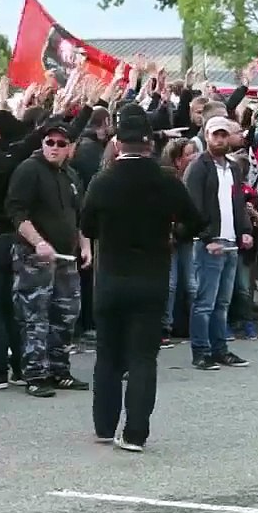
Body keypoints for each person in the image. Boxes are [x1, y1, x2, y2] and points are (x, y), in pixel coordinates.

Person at [80, 105, 203, 452]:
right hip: (151, 276)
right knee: (143, 358)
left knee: (107, 354)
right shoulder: (166, 180)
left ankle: (104, 425)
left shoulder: (102, 180)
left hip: (111, 278)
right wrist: (173, 233)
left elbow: (87, 225)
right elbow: (196, 221)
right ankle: (135, 433)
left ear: (118, 142)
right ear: (150, 143)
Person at [5, 122, 92, 398]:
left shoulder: (71, 175)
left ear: (70, 148)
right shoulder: (29, 170)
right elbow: (16, 213)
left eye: (60, 143)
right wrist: (38, 242)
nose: (54, 147)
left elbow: (79, 215)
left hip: (66, 257)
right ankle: (34, 373)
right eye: (49, 142)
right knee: (35, 316)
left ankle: (59, 369)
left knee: (66, 314)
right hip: (35, 257)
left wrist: (85, 245)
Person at [183, 116, 253, 371]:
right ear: (206, 136)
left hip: (231, 240)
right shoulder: (198, 167)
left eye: (224, 135)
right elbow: (192, 207)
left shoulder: (234, 167)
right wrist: (206, 237)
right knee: (205, 302)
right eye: (216, 135)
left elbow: (237, 204)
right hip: (209, 244)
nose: (221, 140)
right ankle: (201, 351)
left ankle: (220, 349)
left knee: (223, 301)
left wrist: (245, 230)